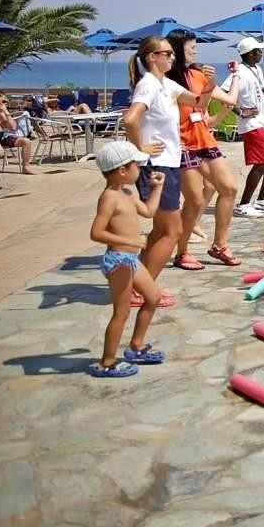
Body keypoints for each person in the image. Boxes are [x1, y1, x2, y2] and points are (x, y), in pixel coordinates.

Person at [122, 36, 212, 307]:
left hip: (167, 164)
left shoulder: (166, 84)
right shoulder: (149, 85)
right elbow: (130, 119)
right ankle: (143, 290)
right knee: (172, 232)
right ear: (152, 57)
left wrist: (210, 84)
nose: (173, 57)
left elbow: (199, 102)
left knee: (160, 232)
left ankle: (137, 286)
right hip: (156, 166)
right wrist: (140, 147)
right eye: (168, 53)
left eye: (173, 54)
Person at [87, 141, 167, 377]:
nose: (140, 170)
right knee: (121, 312)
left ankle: (136, 346)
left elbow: (149, 212)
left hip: (130, 259)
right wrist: (131, 241)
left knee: (153, 297)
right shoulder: (109, 197)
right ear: (123, 170)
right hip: (118, 260)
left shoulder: (127, 193)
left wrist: (157, 188)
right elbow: (96, 233)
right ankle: (107, 362)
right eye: (136, 165)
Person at [165, 30, 242, 270]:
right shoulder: (166, 80)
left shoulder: (197, 74)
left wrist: (231, 76)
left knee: (229, 188)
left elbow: (226, 100)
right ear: (178, 49)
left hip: (204, 140)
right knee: (195, 200)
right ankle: (182, 252)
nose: (195, 51)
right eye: (191, 48)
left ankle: (219, 245)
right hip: (182, 143)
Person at [221, 38, 264, 217]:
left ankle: (262, 200)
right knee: (261, 162)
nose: (261, 53)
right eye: (258, 51)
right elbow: (223, 93)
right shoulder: (239, 72)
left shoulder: (257, 69)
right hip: (252, 124)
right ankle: (244, 204)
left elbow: (263, 95)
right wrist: (240, 111)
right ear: (250, 54)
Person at [0, 91, 35, 175]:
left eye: (6, 102)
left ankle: (25, 167)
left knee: (26, 141)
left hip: (2, 137)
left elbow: (13, 127)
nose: (5, 103)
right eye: (3, 101)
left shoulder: (3, 113)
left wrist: (6, 113)